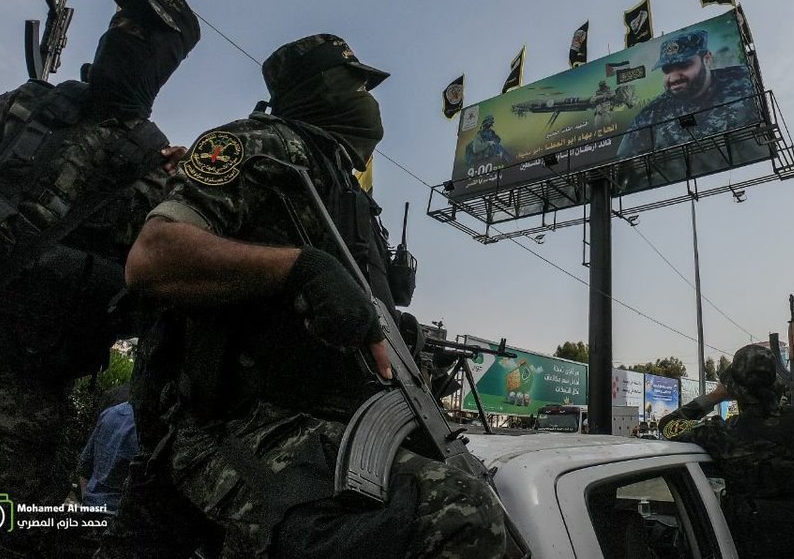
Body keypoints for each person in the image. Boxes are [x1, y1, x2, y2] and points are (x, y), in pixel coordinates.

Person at [102, 34, 506, 558]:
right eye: (358, 83)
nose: (370, 97)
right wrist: (297, 269)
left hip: (332, 420)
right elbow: (153, 256)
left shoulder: (351, 193)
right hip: (242, 423)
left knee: (481, 487)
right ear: (321, 89)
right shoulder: (257, 144)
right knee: (458, 514)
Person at [0, 0, 199, 549]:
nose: (123, 36)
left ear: (167, 60)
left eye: (144, 33)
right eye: (120, 23)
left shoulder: (160, 173)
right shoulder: (26, 107)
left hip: (15, 406)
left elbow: (147, 301)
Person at [658, 344, 794, 558]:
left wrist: (716, 396)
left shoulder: (723, 435)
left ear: (734, 391)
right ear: (776, 385)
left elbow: (668, 424)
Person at [615, 29, 765, 163]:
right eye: (667, 70)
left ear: (707, 59)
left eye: (684, 65)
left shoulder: (744, 79)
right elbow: (622, 166)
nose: (673, 78)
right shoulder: (651, 114)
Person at [79, 395, 139, 513]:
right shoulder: (154, 425)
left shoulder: (109, 414)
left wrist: (87, 500)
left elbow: (84, 465)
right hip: (122, 516)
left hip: (91, 506)